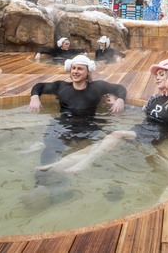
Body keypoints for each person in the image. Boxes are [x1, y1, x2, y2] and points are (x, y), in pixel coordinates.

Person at [37, 58, 168, 173]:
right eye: (157, 76)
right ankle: (58, 165)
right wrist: (118, 103)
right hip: (140, 129)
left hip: (155, 134)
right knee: (101, 144)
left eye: (162, 75)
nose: (157, 78)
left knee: (114, 135)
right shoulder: (154, 97)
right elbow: (141, 112)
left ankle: (81, 166)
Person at [22, 55, 127, 209]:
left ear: (87, 71)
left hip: (88, 126)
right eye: (74, 68)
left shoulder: (97, 87)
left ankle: (66, 186)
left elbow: (119, 88)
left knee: (93, 150)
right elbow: (39, 86)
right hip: (63, 125)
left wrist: (120, 99)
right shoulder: (61, 87)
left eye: (80, 69)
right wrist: (35, 97)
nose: (76, 72)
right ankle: (42, 186)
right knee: (51, 148)